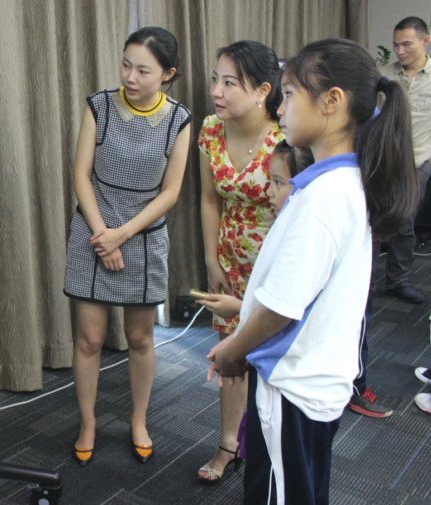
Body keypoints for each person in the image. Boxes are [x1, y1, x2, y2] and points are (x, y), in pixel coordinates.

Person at [208, 38, 417, 504]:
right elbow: (310, 294)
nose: (280, 108)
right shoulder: (339, 183)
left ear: (332, 101)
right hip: (310, 380)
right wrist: (245, 310)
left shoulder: (324, 198)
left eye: (289, 94)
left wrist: (233, 350)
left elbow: (283, 308)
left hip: (293, 386)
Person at [63, 27, 192, 466]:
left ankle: (139, 420)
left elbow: (170, 192)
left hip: (144, 235)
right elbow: (80, 175)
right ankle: (88, 423)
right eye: (126, 65)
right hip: (93, 230)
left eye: (143, 70)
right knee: (89, 339)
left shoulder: (179, 120)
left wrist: (123, 234)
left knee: (140, 337)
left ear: (168, 74)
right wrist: (105, 235)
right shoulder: (99, 106)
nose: (130, 77)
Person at [197, 40, 283, 484]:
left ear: (263, 90)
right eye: (216, 79)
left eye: (230, 82)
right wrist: (212, 259)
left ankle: (273, 448)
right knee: (229, 355)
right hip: (230, 259)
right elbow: (209, 199)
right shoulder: (212, 129)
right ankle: (228, 443)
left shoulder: (285, 139)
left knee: (270, 356)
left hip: (276, 262)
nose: (217, 90)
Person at [199, 140, 314, 320]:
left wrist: (238, 307)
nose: (268, 192)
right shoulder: (283, 229)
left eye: (278, 182)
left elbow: (283, 311)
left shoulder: (300, 239)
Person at [374, 16, 431, 305]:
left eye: (406, 44)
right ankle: (363, 280)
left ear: (425, 41)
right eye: (396, 45)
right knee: (372, 220)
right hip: (382, 161)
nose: (399, 51)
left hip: (417, 163)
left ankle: (399, 281)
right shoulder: (383, 76)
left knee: (404, 223)